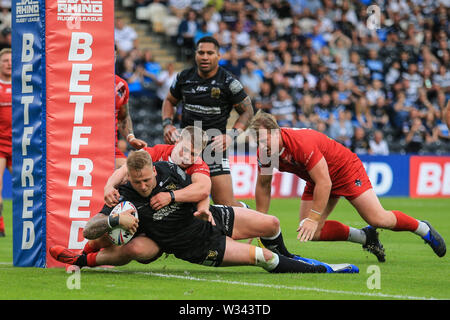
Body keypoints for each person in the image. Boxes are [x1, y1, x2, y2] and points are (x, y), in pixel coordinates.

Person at [50, 150, 358, 274]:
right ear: (128, 176)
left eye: (147, 180)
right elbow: (91, 227)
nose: (144, 186)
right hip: (195, 244)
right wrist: (115, 218)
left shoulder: (167, 170)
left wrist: (172, 196)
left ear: (154, 172)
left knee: (272, 223)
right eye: (138, 181)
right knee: (263, 259)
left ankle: (296, 258)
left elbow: (201, 188)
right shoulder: (124, 193)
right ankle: (325, 269)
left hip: (211, 216)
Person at [251, 110, 446, 262]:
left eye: (265, 138)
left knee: (378, 218)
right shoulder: (265, 153)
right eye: (258, 141)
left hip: (344, 170)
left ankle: (423, 229)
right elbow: (263, 186)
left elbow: (325, 182)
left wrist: (314, 217)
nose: (263, 145)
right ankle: (365, 237)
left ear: (276, 132)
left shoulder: (301, 143)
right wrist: (258, 223)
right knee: (309, 230)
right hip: (318, 177)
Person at [162, 36, 254, 207]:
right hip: (186, 145)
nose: (205, 57)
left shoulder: (228, 82)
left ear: (218, 56)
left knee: (225, 203)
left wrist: (231, 135)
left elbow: (248, 111)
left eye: (210, 53)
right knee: (179, 199)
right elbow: (169, 101)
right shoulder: (183, 78)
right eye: (201, 52)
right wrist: (167, 124)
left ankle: (249, 215)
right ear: (195, 54)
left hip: (214, 146)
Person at [115, 74, 147, 168]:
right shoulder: (80, 83)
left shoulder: (120, 85)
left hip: (110, 150)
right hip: (82, 145)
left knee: (135, 172)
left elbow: (123, 117)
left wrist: (131, 137)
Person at [0, 48, 11, 237]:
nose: (8, 63)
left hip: (20, 145)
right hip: (0, 144)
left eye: (11, 60)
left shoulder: (23, 86)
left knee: (27, 187)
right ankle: (1, 225)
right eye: (4, 61)